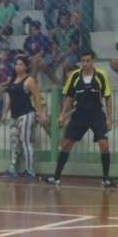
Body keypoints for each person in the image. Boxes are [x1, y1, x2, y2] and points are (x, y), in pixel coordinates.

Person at [44, 50, 116, 187]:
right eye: (82, 61)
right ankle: (56, 177)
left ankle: (106, 179)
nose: (85, 63)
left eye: (88, 61)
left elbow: (107, 97)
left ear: (93, 61)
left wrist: (109, 118)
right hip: (79, 115)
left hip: (96, 114)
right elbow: (69, 96)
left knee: (104, 145)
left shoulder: (101, 75)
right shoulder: (75, 76)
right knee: (66, 144)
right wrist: (63, 114)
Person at [0, 55, 47, 178]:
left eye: (21, 64)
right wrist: (5, 112)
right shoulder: (13, 80)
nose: (17, 66)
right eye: (16, 64)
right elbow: (10, 98)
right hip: (15, 115)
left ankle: (30, 170)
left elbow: (37, 97)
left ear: (26, 67)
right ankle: (13, 168)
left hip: (27, 114)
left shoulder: (29, 80)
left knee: (26, 141)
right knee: (15, 142)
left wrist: (41, 113)